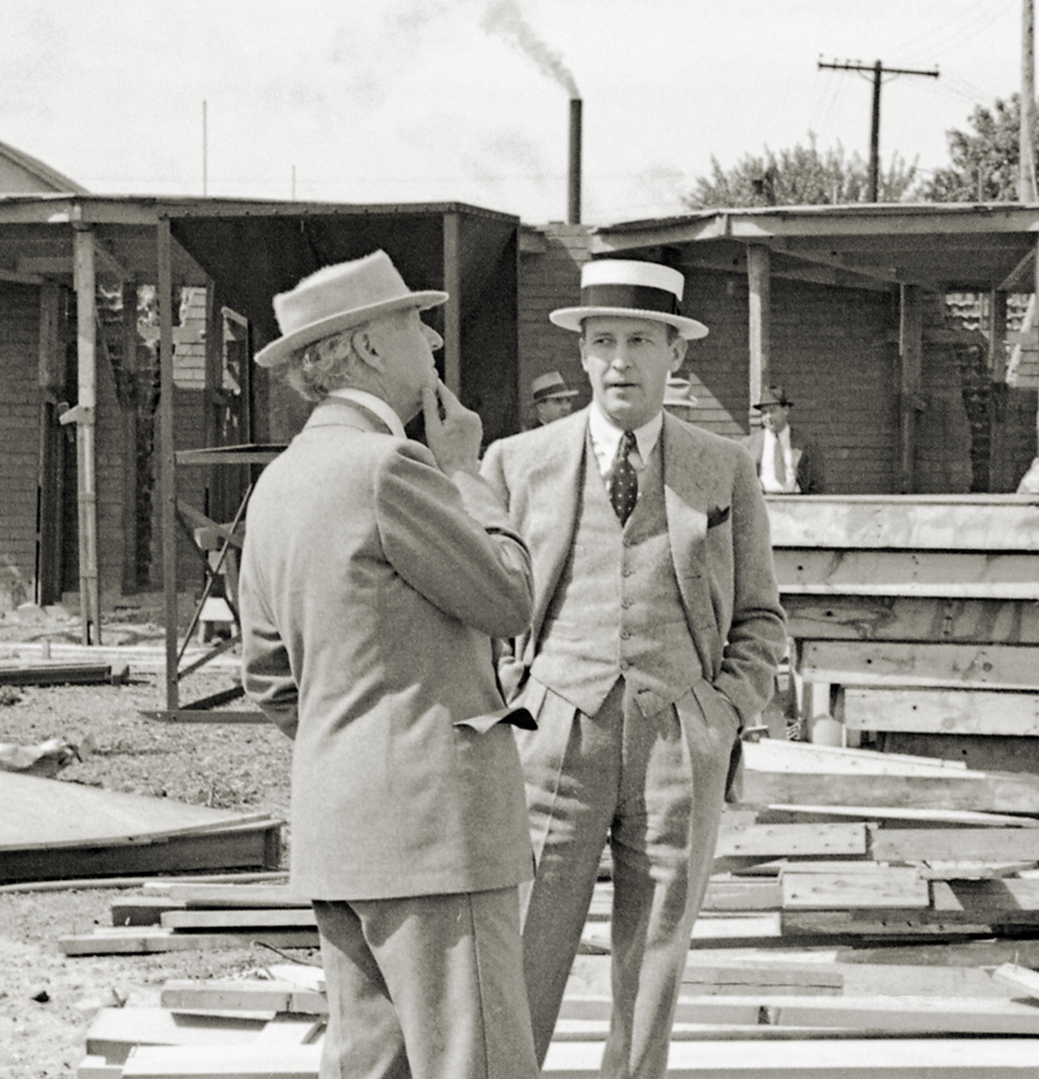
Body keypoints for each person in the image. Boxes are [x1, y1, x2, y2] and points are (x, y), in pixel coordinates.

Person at [480, 259, 787, 1079]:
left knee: (654, 965)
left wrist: (720, 711)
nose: (621, 359)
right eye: (604, 339)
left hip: (677, 741)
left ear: (674, 356)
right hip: (550, 740)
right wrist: (510, 707)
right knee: (523, 951)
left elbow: (762, 616)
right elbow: (476, 610)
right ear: (581, 352)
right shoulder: (517, 463)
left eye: (641, 341)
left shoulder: (722, 466)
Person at [240, 250, 541, 1079]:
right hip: (437, 834)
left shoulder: (279, 481)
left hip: (342, 835)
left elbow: (266, 676)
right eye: (415, 320)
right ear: (369, 347)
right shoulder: (390, 466)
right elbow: (510, 597)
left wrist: (361, 742)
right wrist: (467, 474)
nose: (436, 337)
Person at [743, 385, 823, 494]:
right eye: (764, 412)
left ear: (785, 410)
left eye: (773, 411)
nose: (768, 417)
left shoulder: (805, 443)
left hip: (795, 504)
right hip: (763, 503)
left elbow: (816, 484)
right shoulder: (749, 444)